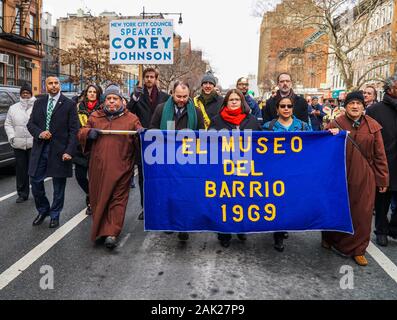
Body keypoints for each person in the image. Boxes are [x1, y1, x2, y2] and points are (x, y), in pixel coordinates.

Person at [323, 91, 389, 266]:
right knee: (337, 209)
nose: (354, 106)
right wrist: (331, 134)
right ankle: (330, 239)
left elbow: (380, 154)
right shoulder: (335, 123)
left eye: (358, 103)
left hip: (364, 177)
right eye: (351, 103)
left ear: (363, 106)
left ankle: (358, 249)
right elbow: (322, 149)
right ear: (345, 106)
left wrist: (382, 179)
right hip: (339, 175)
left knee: (363, 213)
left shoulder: (373, 126)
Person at [78, 84, 143, 249]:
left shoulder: (131, 119)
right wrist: (88, 133)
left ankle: (112, 233)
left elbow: (139, 133)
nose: (112, 102)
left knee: (117, 201)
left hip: (122, 168)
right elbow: (82, 132)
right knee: (98, 200)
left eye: (115, 99)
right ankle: (100, 231)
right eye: (109, 99)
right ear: (104, 101)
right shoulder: (95, 117)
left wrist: (142, 134)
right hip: (98, 169)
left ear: (122, 101)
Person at [150, 81, 205, 242]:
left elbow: (202, 134)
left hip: (187, 160)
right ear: (172, 93)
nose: (181, 99)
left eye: (185, 96)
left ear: (190, 95)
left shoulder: (196, 111)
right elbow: (152, 129)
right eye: (178, 96)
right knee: (168, 193)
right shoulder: (161, 109)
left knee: (185, 194)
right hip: (166, 159)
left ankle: (184, 226)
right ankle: (169, 222)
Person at [209, 89, 262, 248]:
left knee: (243, 199)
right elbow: (209, 143)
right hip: (224, 168)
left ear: (241, 102)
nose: (233, 102)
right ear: (225, 102)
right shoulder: (217, 121)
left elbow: (260, 145)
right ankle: (224, 232)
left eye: (236, 100)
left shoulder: (251, 120)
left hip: (245, 168)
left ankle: (241, 229)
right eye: (230, 99)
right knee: (225, 200)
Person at [27, 76, 79, 229]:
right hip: (41, 148)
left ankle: (55, 215)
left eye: (56, 83)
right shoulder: (39, 103)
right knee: (35, 181)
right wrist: (40, 133)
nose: (54, 85)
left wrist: (69, 150)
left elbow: (74, 130)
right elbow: (30, 124)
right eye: (51, 83)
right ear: (46, 86)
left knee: (58, 186)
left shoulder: (69, 104)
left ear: (60, 85)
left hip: (60, 151)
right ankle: (43, 210)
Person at [263, 96, 311, 252]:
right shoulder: (268, 127)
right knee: (278, 203)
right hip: (275, 172)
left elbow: (314, 144)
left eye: (289, 106)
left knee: (291, 202)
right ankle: (278, 234)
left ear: (292, 108)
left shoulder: (303, 127)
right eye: (282, 106)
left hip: (296, 172)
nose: (286, 108)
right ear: (277, 109)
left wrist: (332, 133)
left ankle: (286, 226)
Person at [127, 68, 170, 220]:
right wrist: (134, 99)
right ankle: (146, 207)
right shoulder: (138, 96)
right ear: (143, 78)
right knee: (143, 177)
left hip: (160, 142)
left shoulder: (165, 97)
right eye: (147, 77)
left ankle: (161, 206)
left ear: (156, 79)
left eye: (152, 77)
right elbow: (128, 113)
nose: (149, 79)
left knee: (161, 176)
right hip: (142, 142)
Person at [366, 75, 397, 246]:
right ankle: (381, 231)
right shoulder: (375, 110)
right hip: (384, 163)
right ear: (390, 89)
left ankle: (393, 228)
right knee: (382, 203)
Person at [73, 84, 103, 215]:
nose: (91, 94)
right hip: (80, 148)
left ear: (98, 94)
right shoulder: (78, 107)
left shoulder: (102, 109)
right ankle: (90, 194)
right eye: (89, 92)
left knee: (95, 178)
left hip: (96, 148)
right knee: (80, 177)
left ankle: (92, 202)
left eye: (94, 92)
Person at [4, 83, 36, 203]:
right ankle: (22, 193)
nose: (25, 94)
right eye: (23, 93)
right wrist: (12, 137)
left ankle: (37, 192)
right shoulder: (13, 108)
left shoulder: (37, 106)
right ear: (20, 94)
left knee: (34, 170)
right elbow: (8, 124)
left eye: (27, 92)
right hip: (18, 144)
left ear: (31, 94)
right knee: (21, 170)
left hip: (34, 144)